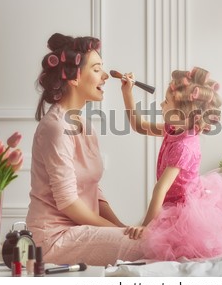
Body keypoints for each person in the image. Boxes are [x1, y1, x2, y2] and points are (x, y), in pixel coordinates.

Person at [120, 67, 222, 261]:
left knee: (197, 250)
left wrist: (146, 226)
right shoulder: (174, 128)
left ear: (183, 113)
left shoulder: (184, 146)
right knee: (205, 242)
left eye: (166, 102)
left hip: (185, 206)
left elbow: (161, 188)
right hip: (183, 198)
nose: (161, 104)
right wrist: (127, 93)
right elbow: (139, 126)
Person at [26, 33, 143, 266]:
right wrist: (116, 231)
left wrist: (121, 227)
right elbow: (68, 202)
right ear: (74, 78)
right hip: (53, 238)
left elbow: (93, 190)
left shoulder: (84, 124)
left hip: (80, 229)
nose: (106, 75)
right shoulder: (56, 127)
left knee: (149, 240)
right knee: (151, 246)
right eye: (97, 69)